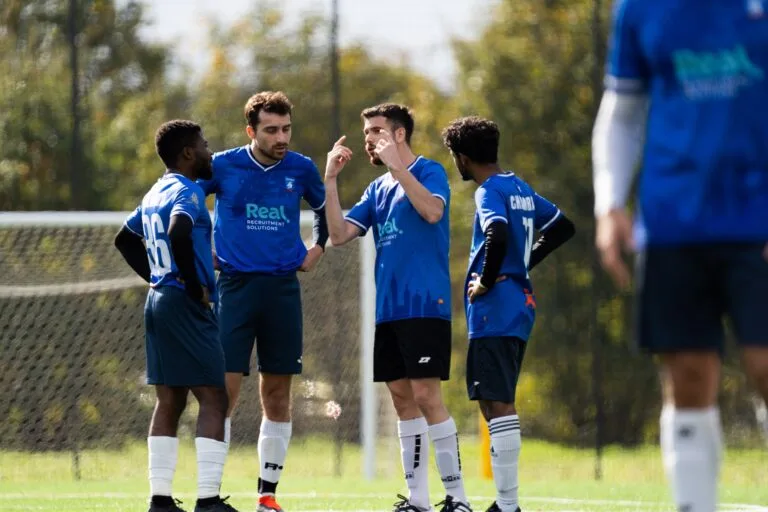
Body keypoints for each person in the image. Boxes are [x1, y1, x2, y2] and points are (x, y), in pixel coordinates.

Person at [593, 1, 768, 510]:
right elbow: (621, 113)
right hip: (672, 226)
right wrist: (610, 205)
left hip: (756, 223)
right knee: (688, 375)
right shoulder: (640, 10)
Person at [324, 103, 471, 512]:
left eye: (374, 130)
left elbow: (433, 210)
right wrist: (330, 180)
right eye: (366, 131)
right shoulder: (376, 190)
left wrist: (397, 168)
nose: (367, 139)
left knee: (427, 395)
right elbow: (338, 235)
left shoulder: (428, 171)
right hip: (389, 311)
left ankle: (458, 499)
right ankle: (418, 501)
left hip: (425, 304)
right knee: (402, 400)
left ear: (399, 134)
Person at [197, 91, 328, 512]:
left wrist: (317, 247)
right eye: (271, 130)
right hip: (234, 288)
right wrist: (205, 253)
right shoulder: (223, 164)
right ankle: (209, 494)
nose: (281, 137)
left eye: (286, 128)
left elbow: (326, 211)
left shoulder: (302, 168)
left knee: (276, 394)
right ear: (251, 131)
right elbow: (189, 203)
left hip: (282, 290)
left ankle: (267, 495)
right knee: (223, 394)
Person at [441, 116, 575, 512]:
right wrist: (523, 261)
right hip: (518, 305)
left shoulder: (488, 192)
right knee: (493, 399)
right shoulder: (519, 187)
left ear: (463, 158)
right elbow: (562, 227)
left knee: (497, 402)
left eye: (455, 158)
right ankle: (506, 503)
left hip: (495, 308)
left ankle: (508, 505)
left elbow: (495, 234)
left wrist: (485, 280)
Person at [114, 120, 237, 512]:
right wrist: (188, 284)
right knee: (215, 398)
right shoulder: (186, 191)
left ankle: (161, 501)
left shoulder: (155, 190)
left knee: (170, 401)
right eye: (203, 144)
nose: (208, 150)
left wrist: (156, 277)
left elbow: (124, 237)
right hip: (183, 304)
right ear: (187, 153)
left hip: (158, 301)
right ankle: (209, 501)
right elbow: (180, 231)